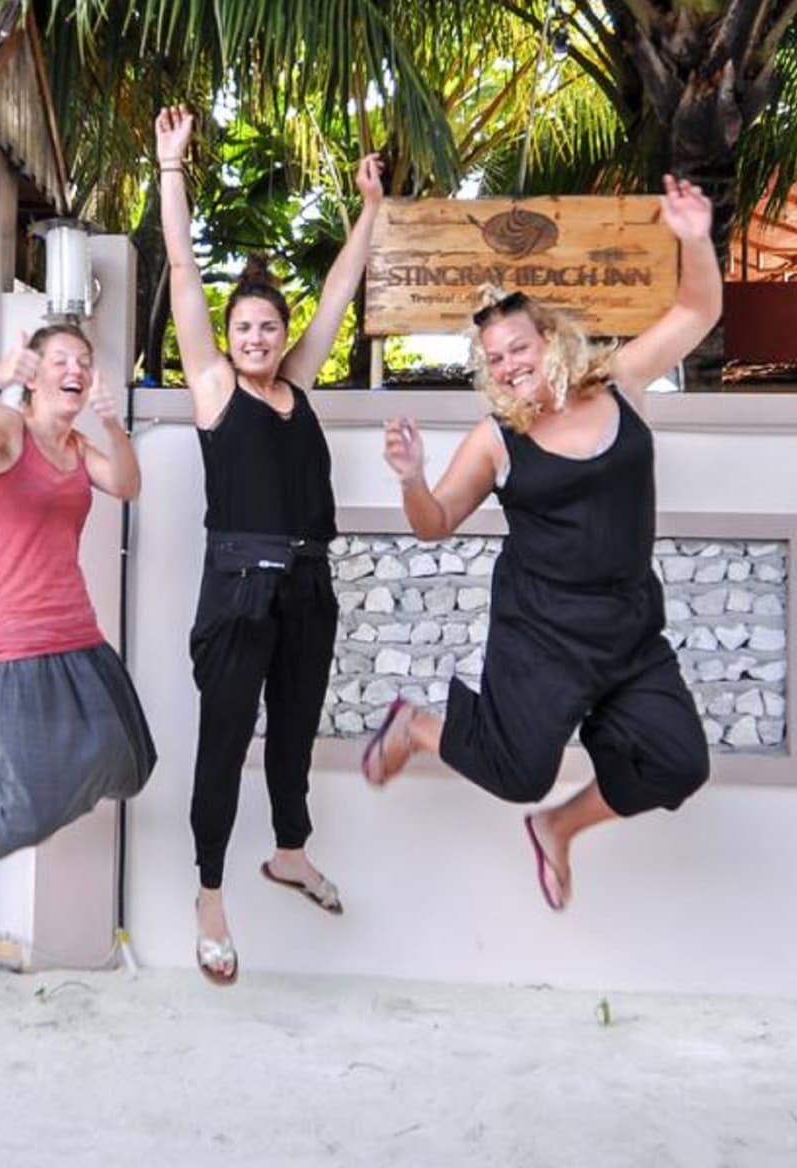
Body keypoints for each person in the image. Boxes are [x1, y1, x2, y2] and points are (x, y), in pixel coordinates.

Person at [365, 176, 722, 911]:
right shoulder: (496, 439)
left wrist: (693, 237)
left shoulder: (620, 383)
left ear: (549, 339)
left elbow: (697, 308)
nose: (509, 365)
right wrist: (411, 477)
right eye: (494, 358)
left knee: (678, 762)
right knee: (518, 770)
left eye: (518, 347)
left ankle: (559, 827)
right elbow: (436, 523)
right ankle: (420, 729)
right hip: (541, 634)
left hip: (627, 629)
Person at [155, 104, 384, 984]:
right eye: (243, 327)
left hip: (308, 589)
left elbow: (335, 295)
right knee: (224, 742)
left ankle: (290, 851)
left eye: (268, 327)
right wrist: (172, 169)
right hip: (239, 591)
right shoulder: (215, 390)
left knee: (292, 736)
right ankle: (210, 893)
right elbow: (181, 268)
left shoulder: (298, 385)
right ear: (228, 333)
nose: (257, 337)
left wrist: (368, 210)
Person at [0, 323, 157, 959]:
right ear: (37, 372)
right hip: (15, 647)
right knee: (33, 806)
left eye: (84, 360)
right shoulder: (6, 429)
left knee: (127, 762)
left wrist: (115, 427)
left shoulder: (78, 447)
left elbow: (128, 485)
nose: (75, 369)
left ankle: (0, 804)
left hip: (78, 637)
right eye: (60, 359)